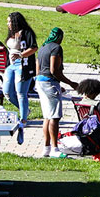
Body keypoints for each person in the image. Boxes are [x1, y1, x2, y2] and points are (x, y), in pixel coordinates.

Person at [33, 28, 80, 159]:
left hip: (40, 83)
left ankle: (46, 148)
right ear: (60, 37)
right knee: (54, 117)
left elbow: (38, 70)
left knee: (47, 117)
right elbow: (54, 70)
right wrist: (71, 83)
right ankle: (55, 148)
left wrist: (59, 85)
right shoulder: (56, 48)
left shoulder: (43, 47)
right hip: (49, 83)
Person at [3, 13, 40, 140]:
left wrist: (21, 55)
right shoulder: (11, 33)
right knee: (7, 92)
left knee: (21, 93)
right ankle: (25, 110)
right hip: (11, 65)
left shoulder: (27, 33)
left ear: (16, 22)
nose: (8, 24)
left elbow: (34, 47)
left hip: (23, 65)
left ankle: (23, 119)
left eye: (9, 22)